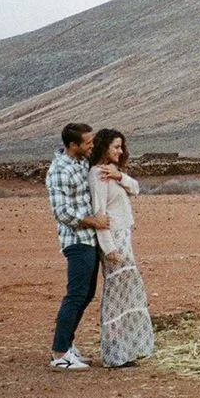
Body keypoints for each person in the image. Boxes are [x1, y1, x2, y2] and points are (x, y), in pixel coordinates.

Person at [45, 122, 111, 370]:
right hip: (76, 240)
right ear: (72, 145)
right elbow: (62, 211)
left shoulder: (82, 162)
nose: (91, 146)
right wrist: (93, 221)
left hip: (90, 239)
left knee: (86, 294)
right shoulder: (60, 170)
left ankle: (67, 345)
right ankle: (60, 353)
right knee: (75, 295)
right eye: (87, 142)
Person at [88, 128, 155, 366]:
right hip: (114, 241)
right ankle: (114, 354)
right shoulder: (97, 175)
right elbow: (100, 214)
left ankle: (125, 351)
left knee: (126, 292)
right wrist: (108, 248)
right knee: (116, 294)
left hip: (124, 238)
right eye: (116, 146)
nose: (121, 151)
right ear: (104, 146)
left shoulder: (112, 173)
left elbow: (135, 188)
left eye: (121, 146)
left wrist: (119, 176)